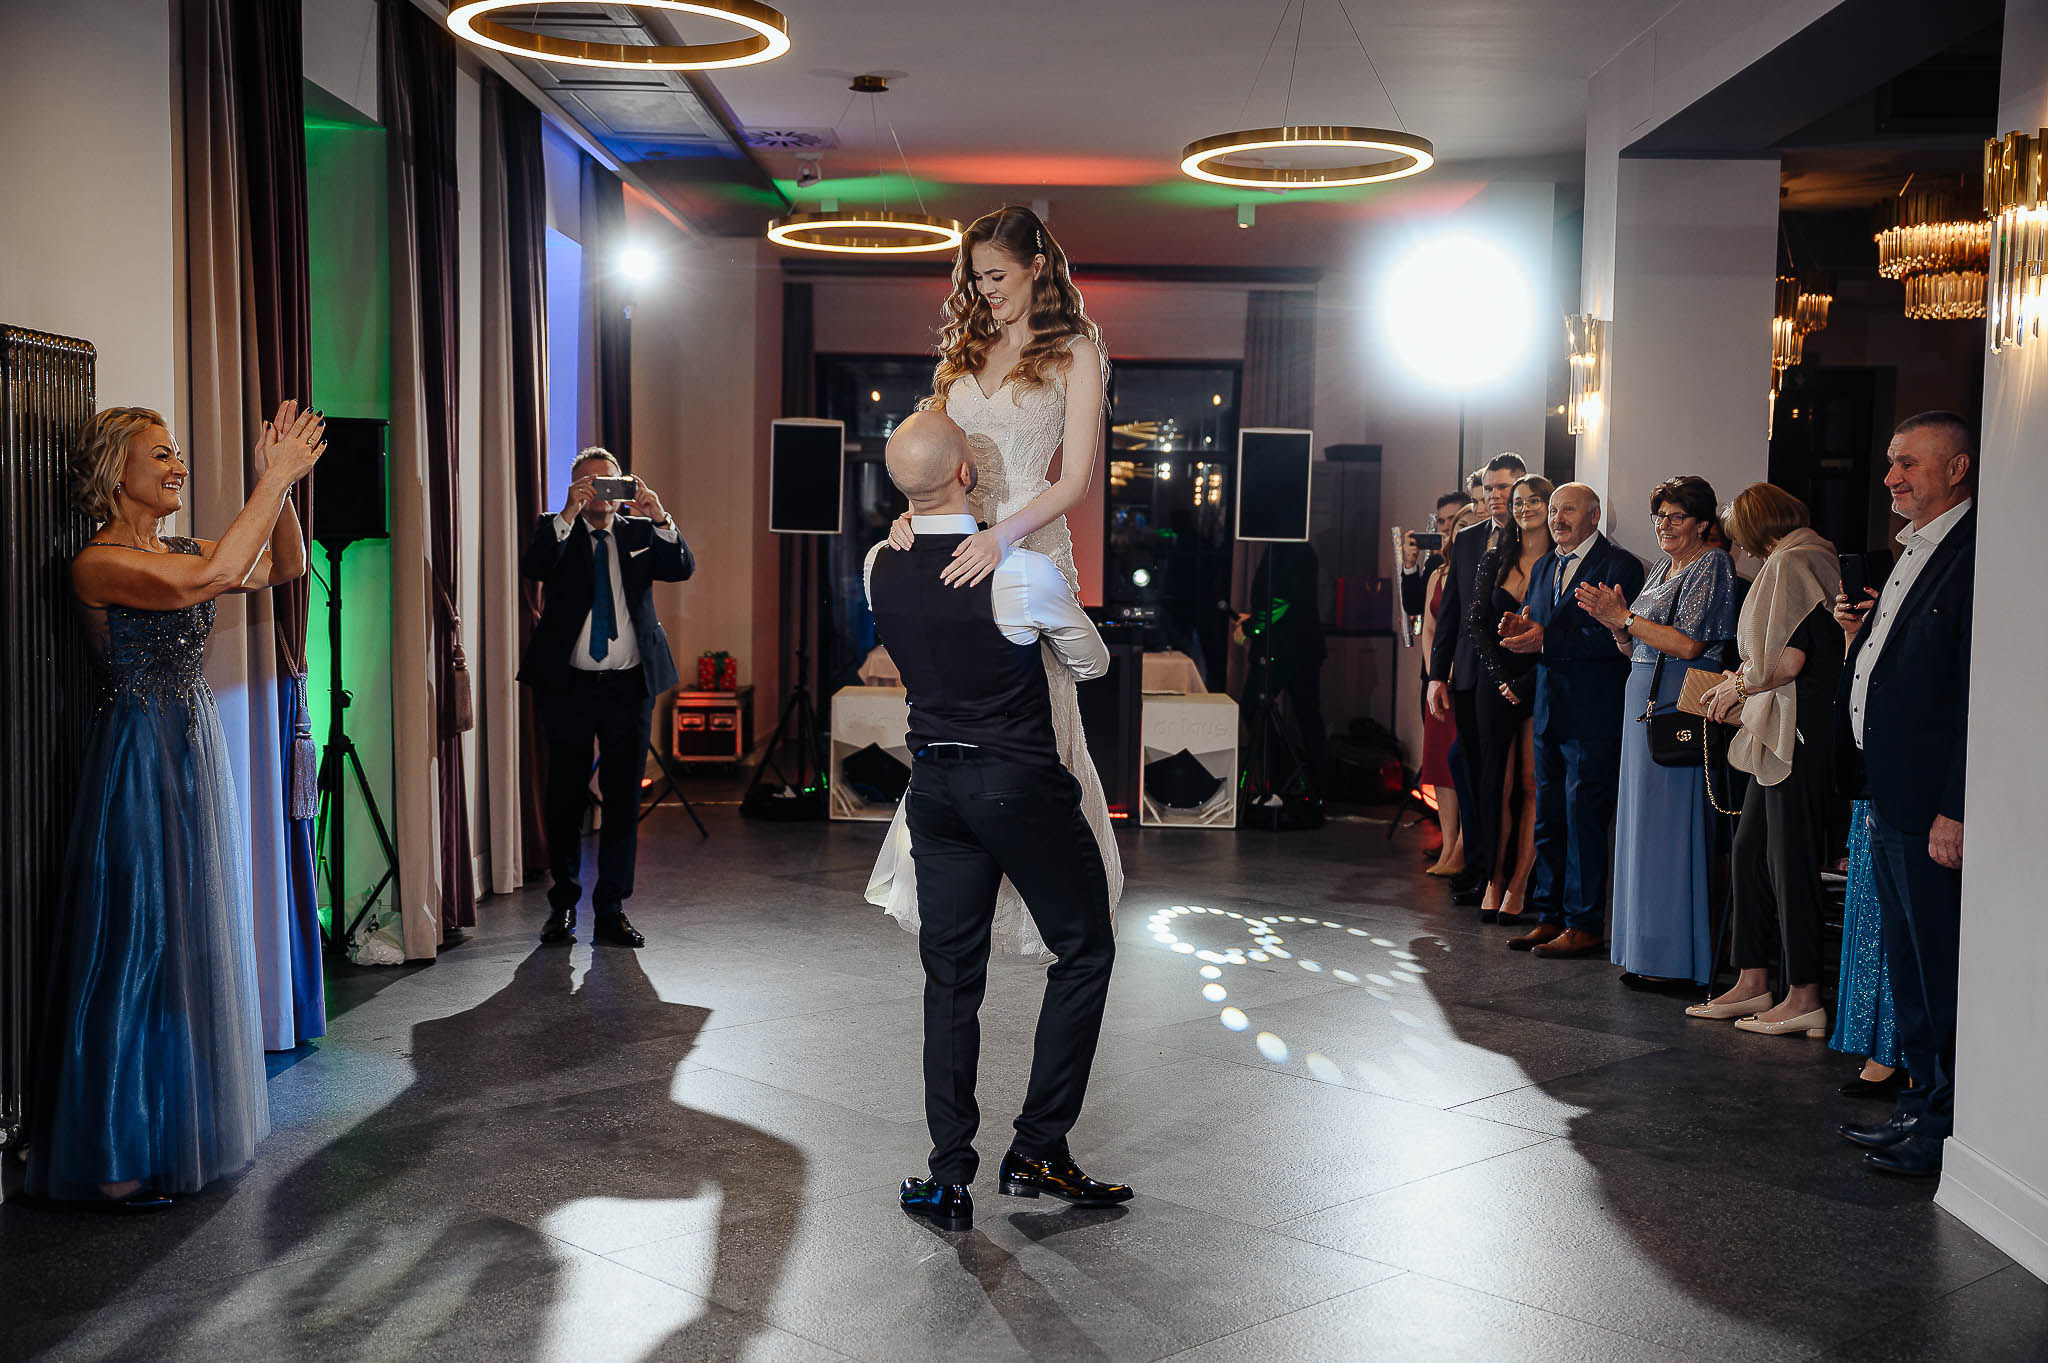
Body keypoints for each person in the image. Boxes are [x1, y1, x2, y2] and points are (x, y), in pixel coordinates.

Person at [29, 401, 325, 1208]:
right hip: (134, 759)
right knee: (132, 944)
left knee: (183, 950)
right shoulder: (98, 562)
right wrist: (272, 479)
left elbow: (281, 565)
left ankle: (161, 1129)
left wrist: (279, 486)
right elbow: (217, 576)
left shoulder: (180, 547)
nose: (176, 465)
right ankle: (110, 1155)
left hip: (190, 753)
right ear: (113, 470)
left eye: (177, 452)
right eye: (159, 454)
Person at [864, 411, 1129, 1234]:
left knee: (950, 979)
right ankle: (1038, 1147)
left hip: (934, 792)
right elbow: (1093, 662)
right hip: (1016, 785)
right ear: (968, 474)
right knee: (1084, 949)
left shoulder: (879, 563)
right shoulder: (1021, 573)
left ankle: (948, 1178)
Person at [869, 205, 1123, 955]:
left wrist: (1001, 537)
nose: (986, 291)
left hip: (1026, 542)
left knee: (1034, 725)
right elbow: (933, 456)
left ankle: (1059, 893)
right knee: (955, 713)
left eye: (997, 275)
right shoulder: (964, 351)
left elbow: (1074, 480)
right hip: (955, 549)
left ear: (1037, 266)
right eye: (976, 278)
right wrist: (911, 515)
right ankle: (961, 885)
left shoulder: (1075, 351)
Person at [1835, 411, 1976, 1178]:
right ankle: (1918, 1106)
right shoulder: (1913, 548)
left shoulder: (1974, 552)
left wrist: (1956, 804)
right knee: (1907, 965)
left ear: (1956, 469)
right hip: (1887, 794)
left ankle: (1945, 1127)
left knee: (1938, 970)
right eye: (1891, 462)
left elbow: (1972, 696)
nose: (1891, 476)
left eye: (1909, 464)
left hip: (1930, 807)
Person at [518, 447, 693, 949]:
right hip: (568, 686)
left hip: (628, 686)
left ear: (624, 487)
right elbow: (535, 565)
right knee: (565, 797)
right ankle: (563, 905)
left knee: (622, 800)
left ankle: (612, 908)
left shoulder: (640, 532)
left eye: (609, 481)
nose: (600, 491)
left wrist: (659, 515)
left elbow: (681, 567)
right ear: (576, 489)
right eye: (589, 483)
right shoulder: (555, 527)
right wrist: (568, 512)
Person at [1688, 485, 1842, 1035]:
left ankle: (1804, 995)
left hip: (1798, 726)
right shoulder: (1815, 555)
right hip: (1786, 722)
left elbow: (1789, 660)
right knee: (1750, 850)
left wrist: (1737, 684)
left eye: (1740, 535)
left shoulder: (1794, 561)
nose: (1742, 548)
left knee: (1788, 860)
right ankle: (1753, 979)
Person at [1577, 475, 1737, 988]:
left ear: (1702, 523)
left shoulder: (1713, 564)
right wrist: (1617, 627)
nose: (1664, 526)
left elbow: (1691, 645)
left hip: (1678, 701)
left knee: (1671, 828)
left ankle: (1676, 960)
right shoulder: (1664, 568)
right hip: (1642, 692)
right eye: (1659, 517)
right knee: (1640, 826)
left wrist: (1625, 618)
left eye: (1676, 517)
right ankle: (1643, 951)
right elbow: (1637, 644)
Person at [1498, 483, 1645, 956]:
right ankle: (1549, 916)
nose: (1557, 519)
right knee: (1549, 819)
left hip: (1592, 713)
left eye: (1569, 510)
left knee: (1584, 820)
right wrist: (1522, 632)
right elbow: (1541, 629)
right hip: (1548, 710)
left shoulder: (1619, 566)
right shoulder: (1544, 566)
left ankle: (1584, 924)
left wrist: (1546, 640)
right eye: (1554, 510)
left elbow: (1618, 641)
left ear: (1594, 515)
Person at [1428, 453, 1528, 907]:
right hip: (1467, 673)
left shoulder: (1531, 536)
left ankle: (1501, 875)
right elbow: (1450, 611)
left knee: (1506, 781)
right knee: (1472, 774)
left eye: (1503, 487)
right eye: (1489, 489)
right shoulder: (1469, 538)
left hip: (1514, 673)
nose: (1495, 496)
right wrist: (1437, 675)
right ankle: (1480, 868)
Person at [1468, 474, 1554, 922]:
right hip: (1495, 679)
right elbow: (1475, 623)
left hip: (1541, 678)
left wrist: (1525, 681)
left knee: (1531, 782)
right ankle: (1493, 878)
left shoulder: (1560, 563)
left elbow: (1562, 630)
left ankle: (1521, 884)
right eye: (1519, 501)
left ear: (1549, 505)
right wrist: (1502, 678)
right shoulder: (1494, 558)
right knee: (1495, 783)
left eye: (1535, 500)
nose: (1525, 508)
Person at [1419, 494, 1479, 877]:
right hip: (1439, 681)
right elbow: (1429, 627)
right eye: (1459, 526)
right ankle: (1447, 843)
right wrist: (1435, 673)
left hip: (1469, 676)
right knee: (1440, 765)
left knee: (1464, 763)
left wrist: (1457, 668)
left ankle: (1462, 849)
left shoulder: (1482, 569)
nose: (1460, 531)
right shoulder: (1438, 574)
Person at [1238, 540, 1328, 792]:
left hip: (1288, 649)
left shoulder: (1292, 549)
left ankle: (1290, 775)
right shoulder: (1288, 548)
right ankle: (1302, 780)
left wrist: (1251, 627)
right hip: (1295, 648)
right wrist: (1255, 621)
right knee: (1306, 717)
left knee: (1257, 708)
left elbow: (1280, 601)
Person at [1831, 798, 1904, 1098]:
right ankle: (1883, 1048)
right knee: (1873, 913)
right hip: (1875, 795)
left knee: (1885, 917)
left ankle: (1894, 1051)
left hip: (1901, 796)